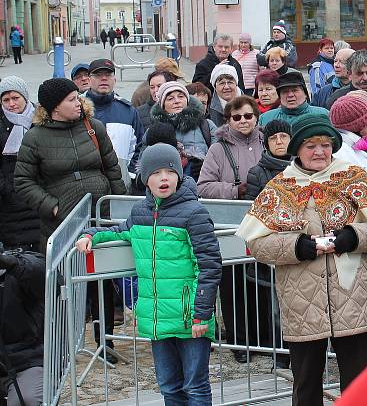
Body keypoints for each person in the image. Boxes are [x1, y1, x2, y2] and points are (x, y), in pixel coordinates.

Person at [237, 113, 367, 405]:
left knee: (360, 388)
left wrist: (353, 236)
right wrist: (297, 246)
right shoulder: (280, 187)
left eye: (326, 145)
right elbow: (257, 244)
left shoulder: (354, 177)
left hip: (355, 301)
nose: (320, 152)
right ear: (297, 149)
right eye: (311, 145)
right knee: (306, 388)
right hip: (302, 304)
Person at [76, 143, 222, 405]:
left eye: (169, 171)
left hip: (189, 316)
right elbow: (119, 232)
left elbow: (209, 265)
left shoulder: (194, 213)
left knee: (195, 386)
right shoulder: (140, 213)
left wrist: (202, 313)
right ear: (145, 178)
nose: (163, 178)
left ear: (179, 174)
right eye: (155, 173)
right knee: (169, 386)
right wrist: (90, 234)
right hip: (156, 317)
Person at [15, 78, 126, 360]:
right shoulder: (35, 138)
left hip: (98, 217)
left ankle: (105, 341)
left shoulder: (93, 127)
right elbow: (23, 182)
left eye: (78, 98)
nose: (78, 103)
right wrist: (52, 207)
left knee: (101, 280)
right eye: (71, 100)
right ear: (54, 107)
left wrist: (117, 203)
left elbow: (112, 168)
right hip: (61, 224)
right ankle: (64, 346)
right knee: (65, 285)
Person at [197, 96, 274, 364]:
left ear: (256, 117)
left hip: (266, 222)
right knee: (233, 284)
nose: (243, 121)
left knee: (265, 284)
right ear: (228, 120)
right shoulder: (218, 149)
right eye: (237, 117)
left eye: (248, 116)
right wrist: (234, 190)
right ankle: (239, 341)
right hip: (233, 223)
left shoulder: (267, 142)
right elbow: (203, 186)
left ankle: (266, 338)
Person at [84, 58, 144, 191]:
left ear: (114, 80)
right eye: (98, 75)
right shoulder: (76, 110)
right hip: (84, 187)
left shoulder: (128, 111)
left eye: (108, 75)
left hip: (121, 185)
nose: (104, 79)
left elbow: (140, 146)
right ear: (89, 80)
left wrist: (129, 174)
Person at [0, 248, 45, 406]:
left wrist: (13, 264)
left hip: (24, 362)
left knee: (25, 401)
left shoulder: (16, 266)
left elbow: (48, 277)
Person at [0, 77, 39, 252]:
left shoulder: (40, 121)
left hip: (39, 197)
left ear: (25, 97)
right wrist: (6, 187)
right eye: (6, 100)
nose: (11, 104)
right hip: (10, 204)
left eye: (15, 98)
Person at [149, 81, 217, 182]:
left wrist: (206, 166)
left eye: (181, 96)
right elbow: (144, 162)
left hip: (201, 184)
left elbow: (220, 156)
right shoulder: (154, 130)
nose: (177, 101)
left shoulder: (206, 125)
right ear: (163, 105)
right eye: (170, 98)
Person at [259, 71, 328, 127]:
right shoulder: (265, 119)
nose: (290, 95)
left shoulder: (323, 115)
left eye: (295, 90)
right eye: (285, 91)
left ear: (305, 94)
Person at [244, 119, 291, 200]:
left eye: (283, 136)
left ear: (291, 139)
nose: (279, 142)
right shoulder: (256, 173)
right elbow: (250, 207)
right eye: (273, 138)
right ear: (267, 144)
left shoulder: (303, 168)